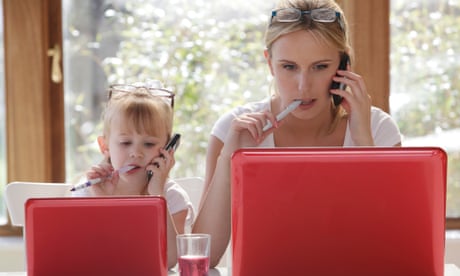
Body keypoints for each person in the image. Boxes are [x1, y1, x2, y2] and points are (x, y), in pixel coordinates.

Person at [192, 0, 402, 267]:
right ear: (270, 64)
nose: (304, 86)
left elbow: (393, 248)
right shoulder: (233, 129)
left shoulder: (379, 130)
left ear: (344, 65)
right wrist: (230, 159)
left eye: (320, 66)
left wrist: (362, 143)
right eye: (289, 67)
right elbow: (203, 259)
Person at [72, 82, 194, 269]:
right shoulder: (88, 192)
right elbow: (91, 258)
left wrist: (157, 196)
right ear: (105, 146)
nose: (136, 153)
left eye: (149, 144)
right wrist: (104, 202)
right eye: (125, 142)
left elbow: (169, 261)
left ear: (168, 149)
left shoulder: (172, 198)